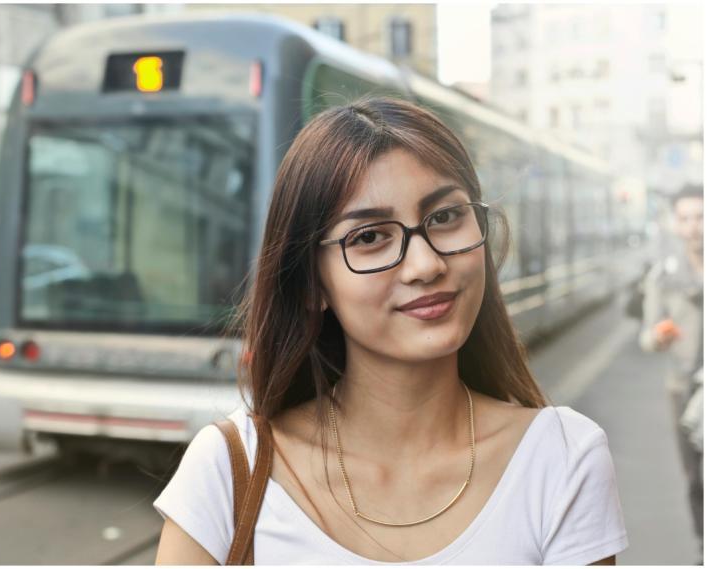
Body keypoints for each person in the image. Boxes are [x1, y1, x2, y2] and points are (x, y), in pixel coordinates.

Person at [153, 96, 628, 565]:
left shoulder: (562, 460)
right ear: (311, 284)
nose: (426, 265)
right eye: (369, 237)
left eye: (445, 217)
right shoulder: (229, 472)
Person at [639, 184, 703, 563]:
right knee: (695, 477)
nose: (694, 227)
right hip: (684, 387)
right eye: (686, 219)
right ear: (675, 224)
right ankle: (703, 546)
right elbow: (646, 335)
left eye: (700, 216)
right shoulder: (664, 273)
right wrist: (658, 338)